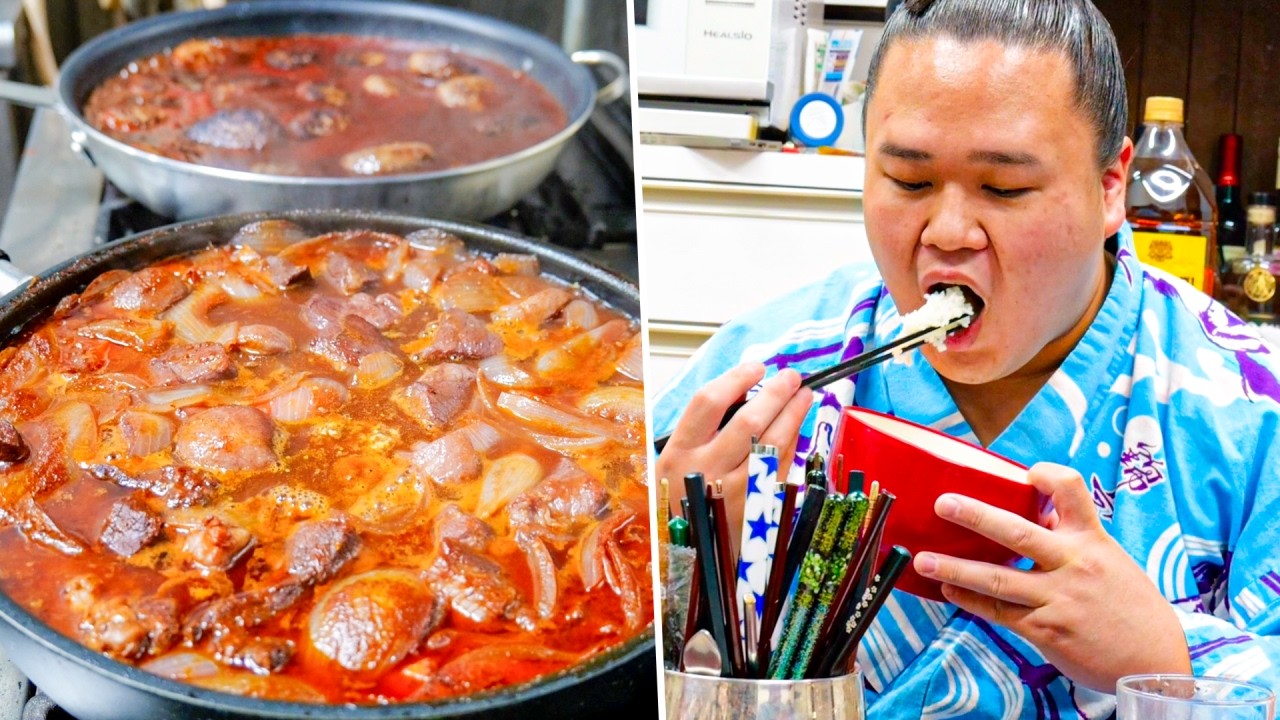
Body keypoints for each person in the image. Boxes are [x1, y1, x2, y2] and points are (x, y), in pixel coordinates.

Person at [651, 0, 1280, 715]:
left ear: (1111, 187)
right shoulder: (762, 371)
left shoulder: (1249, 408)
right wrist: (674, 568)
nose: (948, 232)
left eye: (1005, 188)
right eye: (909, 182)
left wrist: (1167, 661)